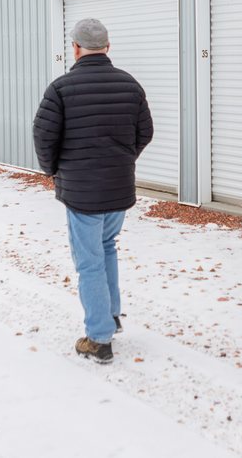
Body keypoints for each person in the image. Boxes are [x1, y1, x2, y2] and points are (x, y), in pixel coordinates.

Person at [33, 18, 153, 364]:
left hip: (82, 192)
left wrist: (53, 169)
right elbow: (145, 132)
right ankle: (110, 315)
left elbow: (43, 135)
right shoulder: (130, 85)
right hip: (117, 189)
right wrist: (123, 160)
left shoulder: (61, 89)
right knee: (107, 248)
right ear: (107, 47)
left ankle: (99, 338)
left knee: (89, 262)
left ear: (75, 48)